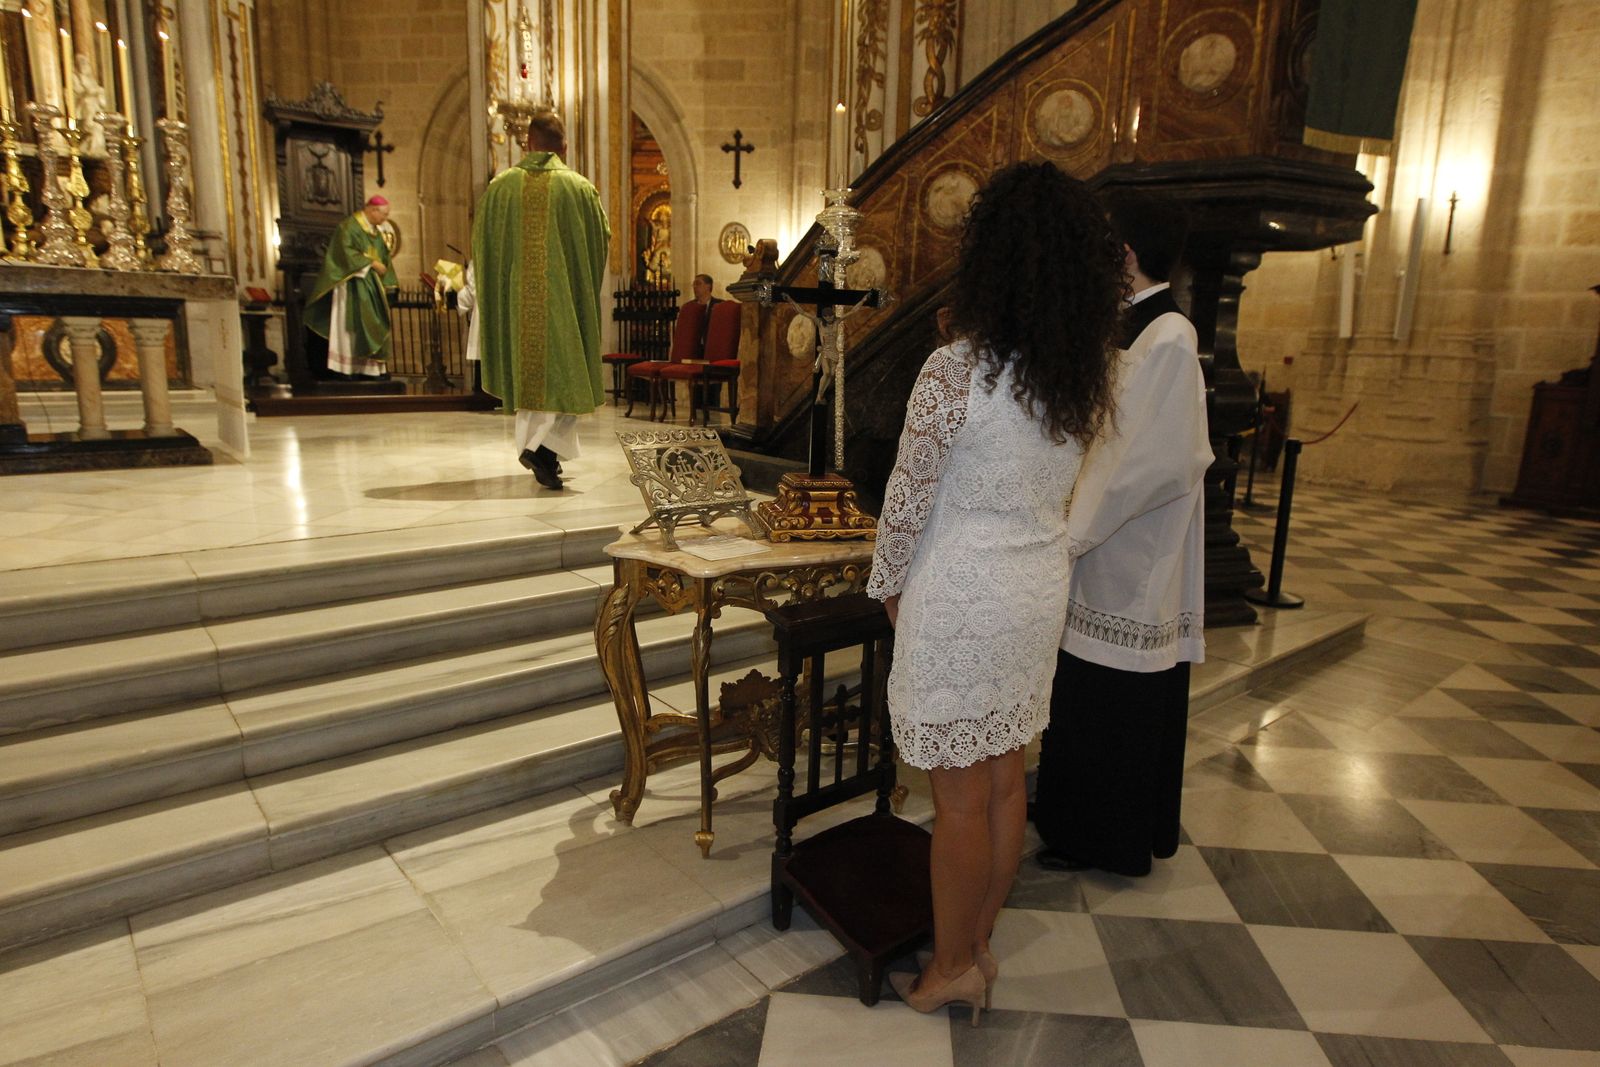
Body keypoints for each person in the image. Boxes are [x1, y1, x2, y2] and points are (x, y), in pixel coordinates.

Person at [865, 162, 1123, 1023]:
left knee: (958, 799)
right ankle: (978, 944)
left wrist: (889, 586)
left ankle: (948, 966)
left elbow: (906, 498)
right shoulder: (1078, 376)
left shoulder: (955, 370)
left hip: (964, 588)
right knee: (1007, 779)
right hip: (1033, 589)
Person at [1032, 191, 1213, 878]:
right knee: (1081, 689)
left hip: (1129, 550)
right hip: (1102, 536)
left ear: (1128, 254)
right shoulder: (1130, 325)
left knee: (1111, 698)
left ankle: (1103, 836)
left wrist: (1071, 528)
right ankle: (1070, 814)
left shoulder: (1168, 335)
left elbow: (1143, 463)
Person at [472, 108, 610, 490]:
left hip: (519, 306)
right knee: (567, 375)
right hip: (564, 299)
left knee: (536, 376)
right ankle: (541, 450)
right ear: (563, 147)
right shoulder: (580, 188)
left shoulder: (500, 188)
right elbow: (600, 240)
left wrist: (503, 287)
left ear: (527, 144)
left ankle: (540, 450)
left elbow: (482, 243)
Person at [304, 196, 398, 378]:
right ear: (372, 210)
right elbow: (343, 253)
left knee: (373, 325)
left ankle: (368, 369)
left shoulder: (376, 232)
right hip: (352, 286)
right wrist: (370, 263)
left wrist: (388, 280)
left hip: (371, 288)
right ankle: (347, 369)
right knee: (351, 327)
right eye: (384, 214)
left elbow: (384, 258)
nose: (385, 219)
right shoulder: (348, 227)